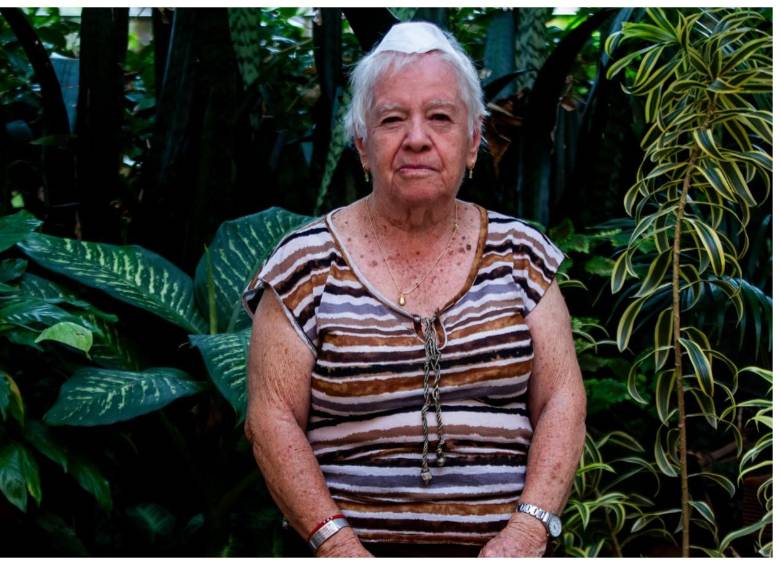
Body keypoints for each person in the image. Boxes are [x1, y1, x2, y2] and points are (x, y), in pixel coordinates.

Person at [242, 21, 586, 558]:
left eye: (440, 117)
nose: (417, 138)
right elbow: (271, 418)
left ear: (473, 141)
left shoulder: (522, 254)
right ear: (363, 145)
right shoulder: (303, 264)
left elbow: (562, 399)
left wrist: (526, 531)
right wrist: (339, 546)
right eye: (392, 119)